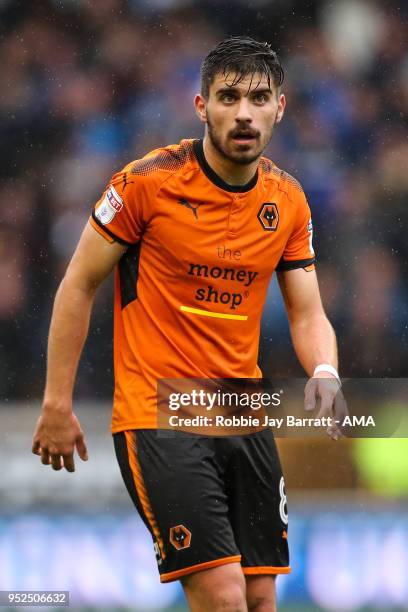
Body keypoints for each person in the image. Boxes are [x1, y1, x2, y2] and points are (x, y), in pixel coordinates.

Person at [32, 36, 344, 612]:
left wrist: (324, 366)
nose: (243, 113)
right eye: (228, 97)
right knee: (222, 595)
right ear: (202, 107)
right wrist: (57, 401)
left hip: (241, 412)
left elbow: (307, 311)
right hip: (158, 411)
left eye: (258, 98)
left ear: (281, 107)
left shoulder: (289, 202)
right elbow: (78, 284)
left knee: (258, 597)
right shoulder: (144, 185)